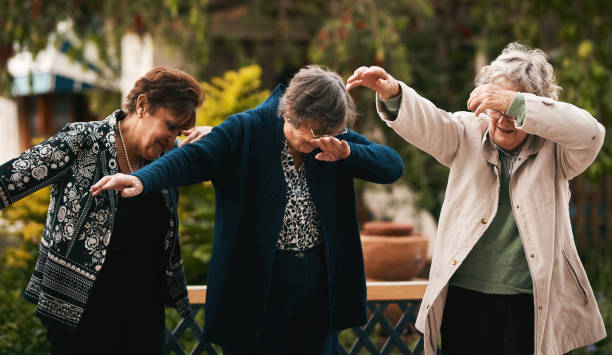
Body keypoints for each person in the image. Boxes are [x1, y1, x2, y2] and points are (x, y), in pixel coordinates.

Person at [90, 65, 404, 355]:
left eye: (326, 133)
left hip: (317, 293)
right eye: (309, 130)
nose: (315, 140)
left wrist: (349, 152)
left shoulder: (333, 140)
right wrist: (141, 179)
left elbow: (392, 166)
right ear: (289, 111)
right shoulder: (246, 130)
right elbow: (193, 158)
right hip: (258, 292)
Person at [346, 42, 606, 355]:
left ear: (534, 110)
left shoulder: (558, 151)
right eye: (495, 108)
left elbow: (591, 132)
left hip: (531, 303)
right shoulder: (466, 132)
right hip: (465, 299)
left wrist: (514, 102)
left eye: (512, 110)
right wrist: (394, 94)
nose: (503, 119)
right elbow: (431, 123)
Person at [0, 66, 209, 354]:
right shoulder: (83, 140)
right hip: (78, 311)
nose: (173, 139)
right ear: (142, 105)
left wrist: (213, 135)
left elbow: (228, 166)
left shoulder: (168, 159)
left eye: (179, 132)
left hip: (143, 314)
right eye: (170, 126)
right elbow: (9, 180)